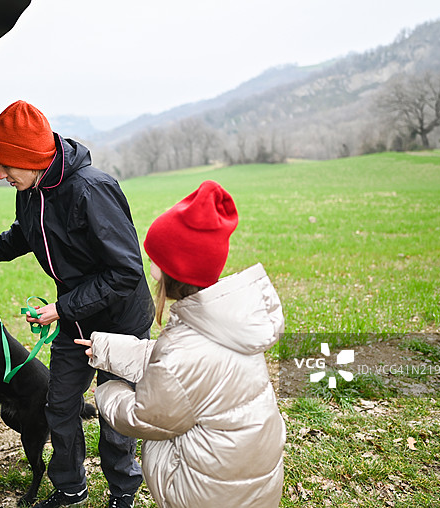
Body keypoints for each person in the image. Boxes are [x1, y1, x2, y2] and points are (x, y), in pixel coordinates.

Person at [0, 100, 154, 508]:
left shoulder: (93, 190)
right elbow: (22, 236)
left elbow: (126, 272)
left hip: (120, 321)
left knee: (114, 412)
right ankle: (70, 487)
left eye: (6, 165)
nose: (1, 175)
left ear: (32, 159)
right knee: (59, 404)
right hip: (76, 320)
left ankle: (123, 491)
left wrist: (62, 309)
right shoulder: (31, 191)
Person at [75, 180, 286, 508]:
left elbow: (145, 416)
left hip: (205, 495)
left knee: (158, 438)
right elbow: (181, 370)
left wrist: (106, 391)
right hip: (252, 483)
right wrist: (107, 349)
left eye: (154, 256)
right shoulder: (225, 322)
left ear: (169, 269)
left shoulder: (184, 351)